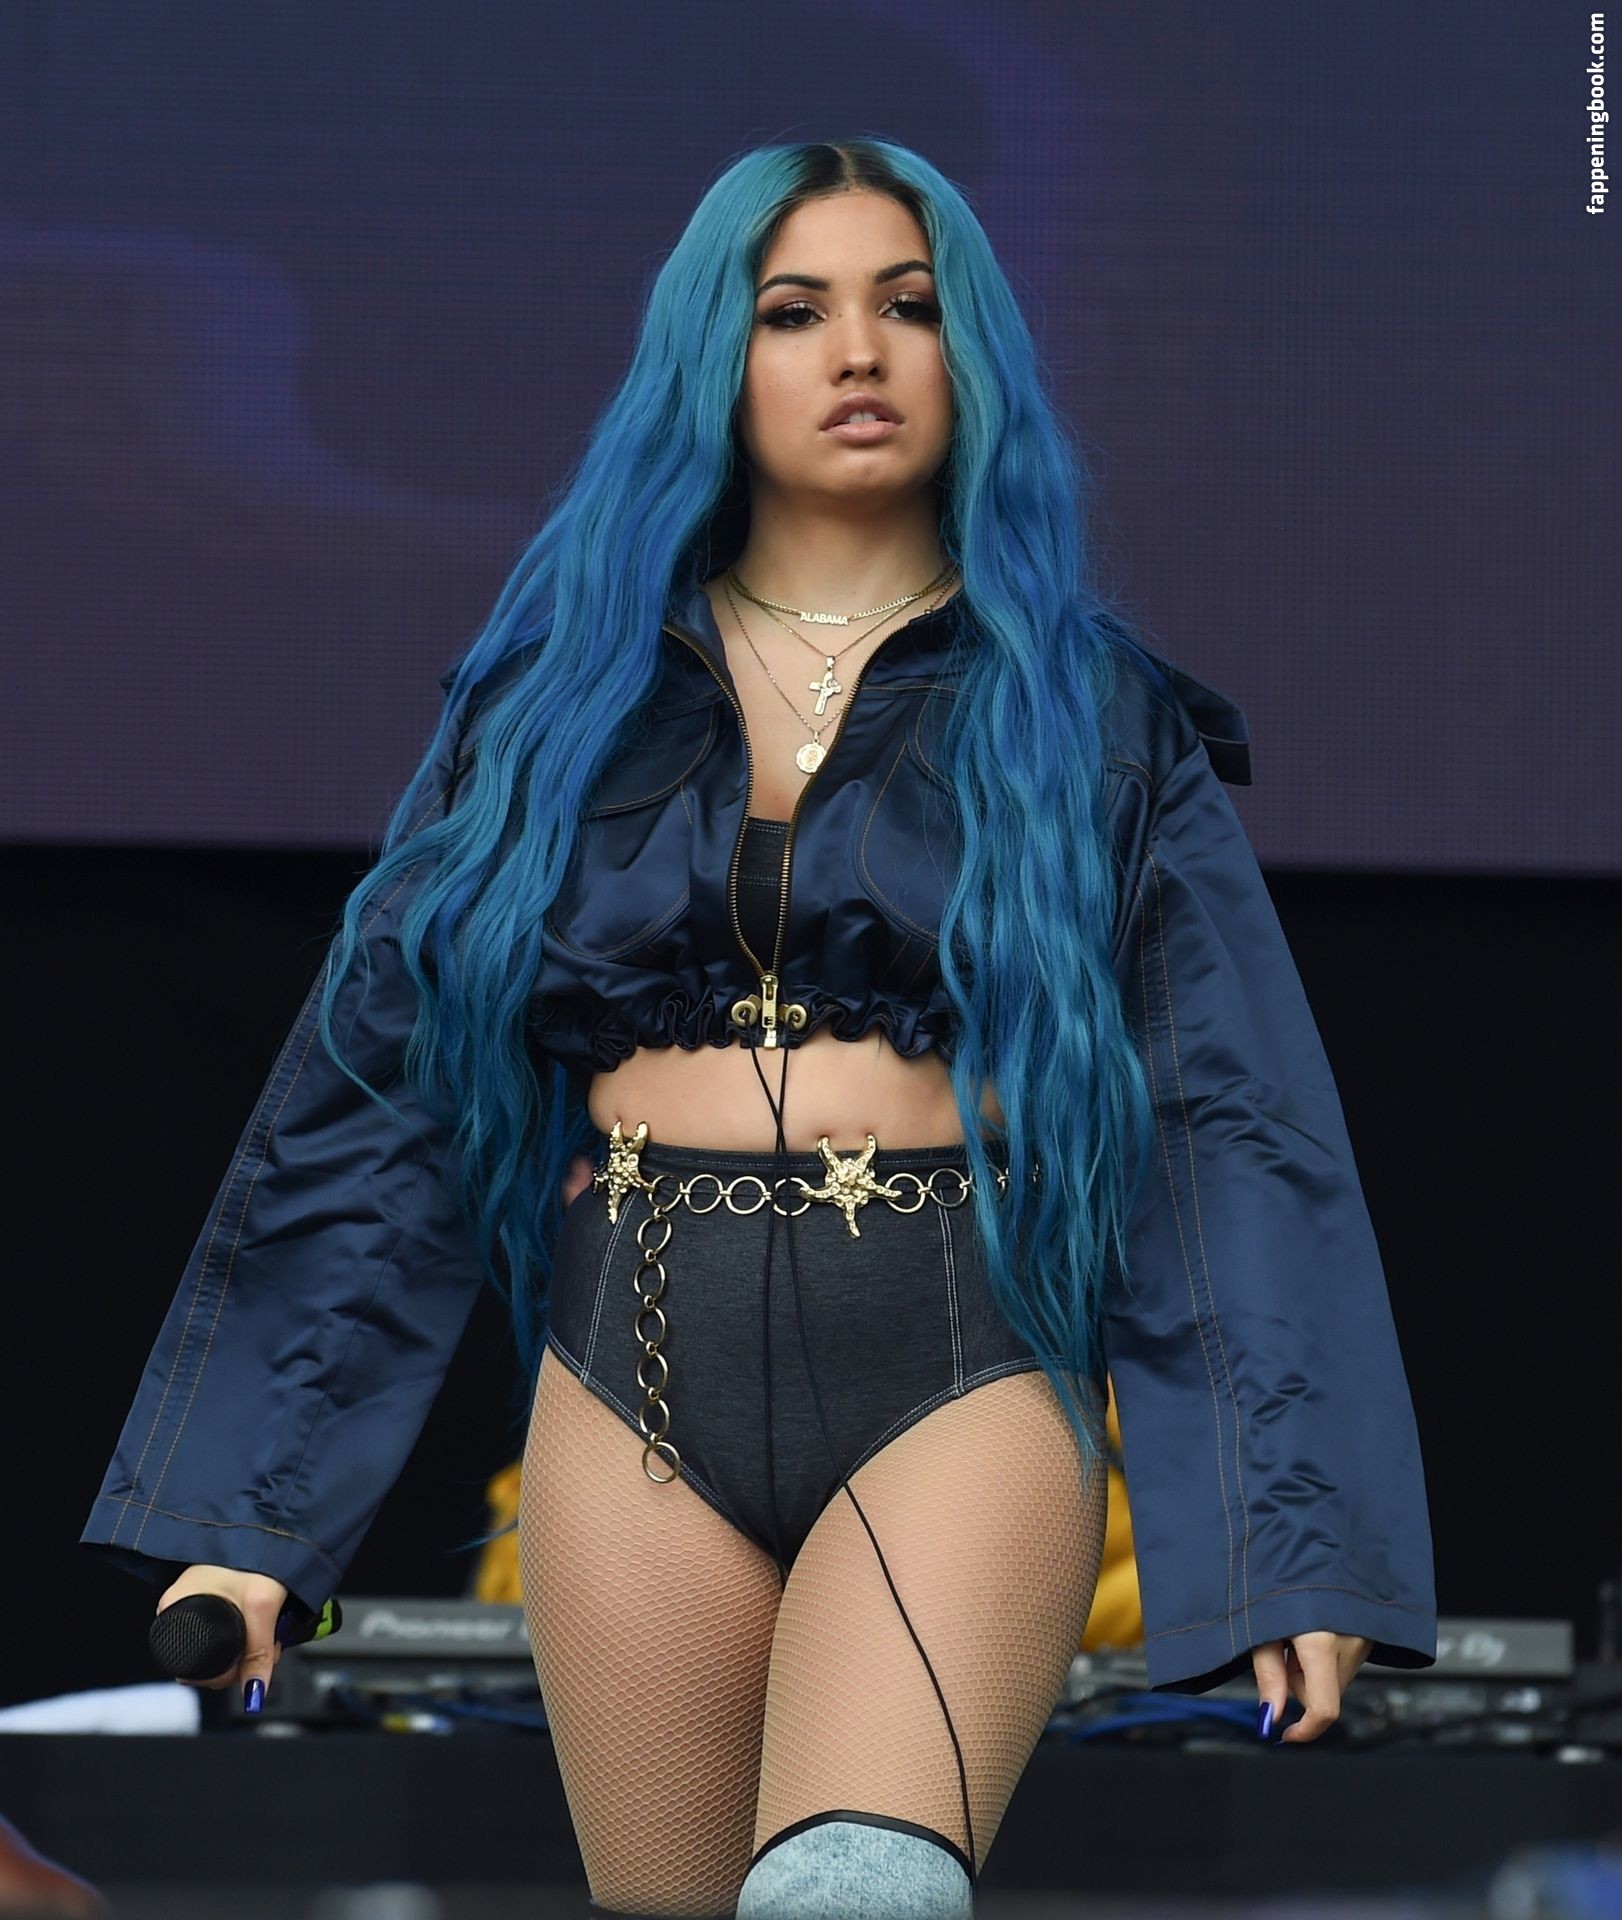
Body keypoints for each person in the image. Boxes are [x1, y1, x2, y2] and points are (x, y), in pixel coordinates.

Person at [81, 139, 1437, 1919]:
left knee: (852, 1893)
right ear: (710, 363)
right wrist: (250, 1517)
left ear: (970, 353)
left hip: (958, 1355)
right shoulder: (552, 699)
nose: (856, 351)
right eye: (792, 312)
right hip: (634, 1373)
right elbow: (383, 1092)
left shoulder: (1092, 713)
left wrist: (1293, 1538)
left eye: (908, 306)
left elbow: (1225, 1117)